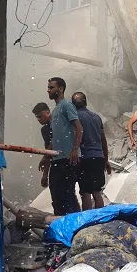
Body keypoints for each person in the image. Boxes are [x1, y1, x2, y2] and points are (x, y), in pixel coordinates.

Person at [46, 78, 83, 215]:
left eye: (51, 87)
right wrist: (46, 156)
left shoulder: (66, 105)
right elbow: (55, 137)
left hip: (68, 158)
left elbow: (79, 128)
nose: (48, 90)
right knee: (55, 192)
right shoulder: (55, 110)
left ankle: (74, 222)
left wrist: (74, 149)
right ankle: (61, 221)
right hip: (57, 158)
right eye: (48, 88)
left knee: (67, 194)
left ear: (60, 89)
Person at [71, 92, 112, 211]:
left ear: (73, 105)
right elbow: (103, 140)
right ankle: (101, 218)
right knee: (97, 192)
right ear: (86, 102)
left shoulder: (75, 118)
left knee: (85, 192)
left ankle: (88, 220)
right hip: (98, 157)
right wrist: (106, 160)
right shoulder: (96, 117)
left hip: (85, 158)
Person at [32, 102, 53, 189]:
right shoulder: (45, 130)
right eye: (37, 117)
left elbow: (56, 140)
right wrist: (45, 174)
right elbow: (48, 152)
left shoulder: (58, 123)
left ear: (48, 112)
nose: (39, 119)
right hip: (56, 162)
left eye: (40, 116)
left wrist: (44, 157)